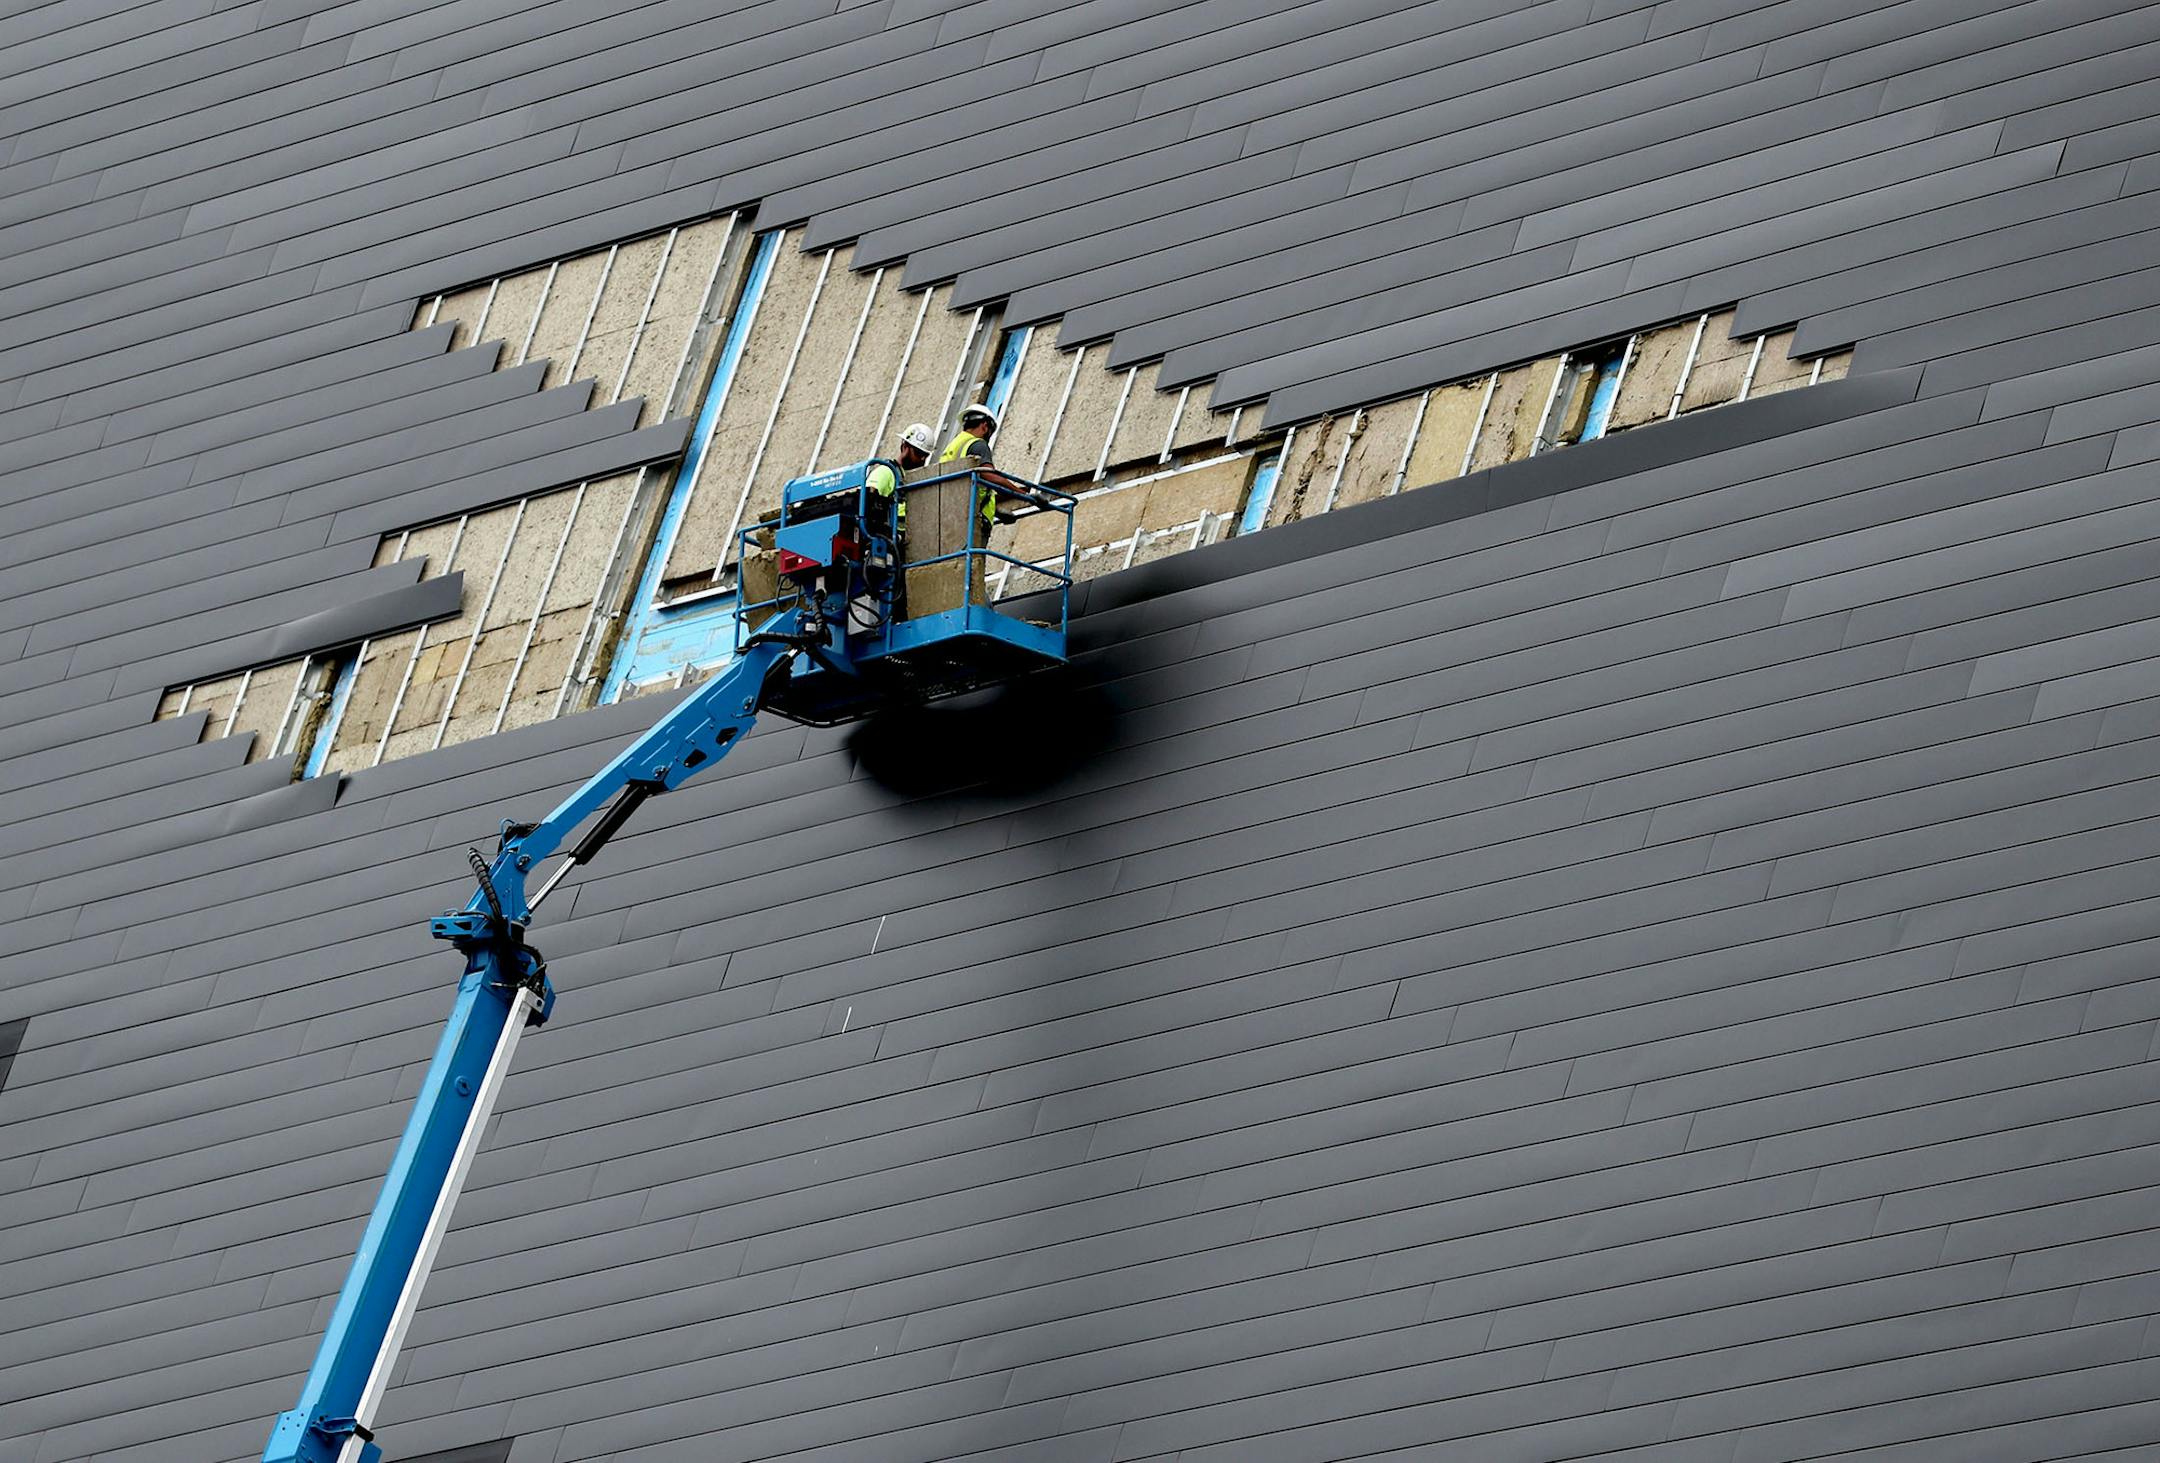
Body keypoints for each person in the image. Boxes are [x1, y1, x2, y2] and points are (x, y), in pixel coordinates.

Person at [938, 403, 1025, 531]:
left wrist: (997, 511)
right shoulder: (978, 444)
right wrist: (1024, 495)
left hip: (948, 517)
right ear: (984, 426)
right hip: (971, 521)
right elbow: (990, 477)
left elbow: (961, 487)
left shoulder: (951, 447)